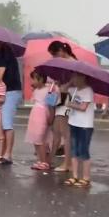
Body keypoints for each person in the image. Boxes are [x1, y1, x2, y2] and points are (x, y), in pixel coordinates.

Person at [0, 42, 22, 164]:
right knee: (2, 124)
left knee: (7, 124)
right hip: (9, 91)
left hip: (11, 91)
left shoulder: (3, 55)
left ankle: (7, 155)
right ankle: (2, 154)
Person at [47, 41, 78, 172]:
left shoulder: (72, 63)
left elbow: (76, 80)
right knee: (58, 130)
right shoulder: (65, 63)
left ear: (61, 50)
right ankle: (53, 161)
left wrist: (66, 84)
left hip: (69, 98)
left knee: (66, 133)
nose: (54, 57)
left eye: (55, 54)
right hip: (63, 97)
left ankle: (68, 163)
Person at [63, 73, 95, 188]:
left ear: (83, 78)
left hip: (85, 125)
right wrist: (70, 83)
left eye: (76, 77)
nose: (74, 79)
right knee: (74, 151)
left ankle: (86, 178)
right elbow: (62, 89)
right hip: (73, 123)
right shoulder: (73, 89)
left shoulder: (88, 90)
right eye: (73, 77)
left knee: (83, 152)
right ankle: (75, 176)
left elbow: (83, 107)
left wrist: (70, 104)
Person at [26, 70, 53, 170]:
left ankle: (44, 161)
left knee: (41, 139)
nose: (32, 81)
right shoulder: (36, 90)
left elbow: (51, 105)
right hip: (35, 114)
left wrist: (51, 117)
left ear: (41, 79)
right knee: (35, 139)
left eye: (33, 79)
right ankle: (39, 160)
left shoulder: (49, 90)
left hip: (42, 114)